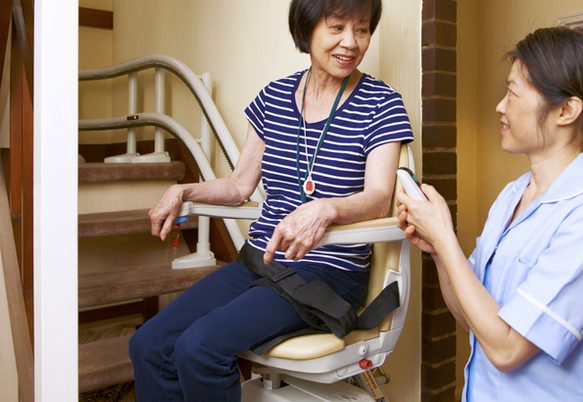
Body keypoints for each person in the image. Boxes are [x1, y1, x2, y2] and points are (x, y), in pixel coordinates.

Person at [128, 0, 413, 400]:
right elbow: (239, 185)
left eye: (362, 30)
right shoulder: (273, 98)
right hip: (259, 262)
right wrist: (184, 190)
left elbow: (379, 199)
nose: (351, 42)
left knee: (200, 350)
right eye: (337, 27)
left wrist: (327, 208)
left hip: (326, 273)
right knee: (148, 345)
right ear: (307, 29)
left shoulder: (381, 103)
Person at [397, 27, 583, 401]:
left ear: (566, 110)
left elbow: (507, 349)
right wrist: (436, 249)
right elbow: (473, 318)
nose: (500, 105)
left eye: (513, 92)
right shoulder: (514, 194)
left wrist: (447, 239)